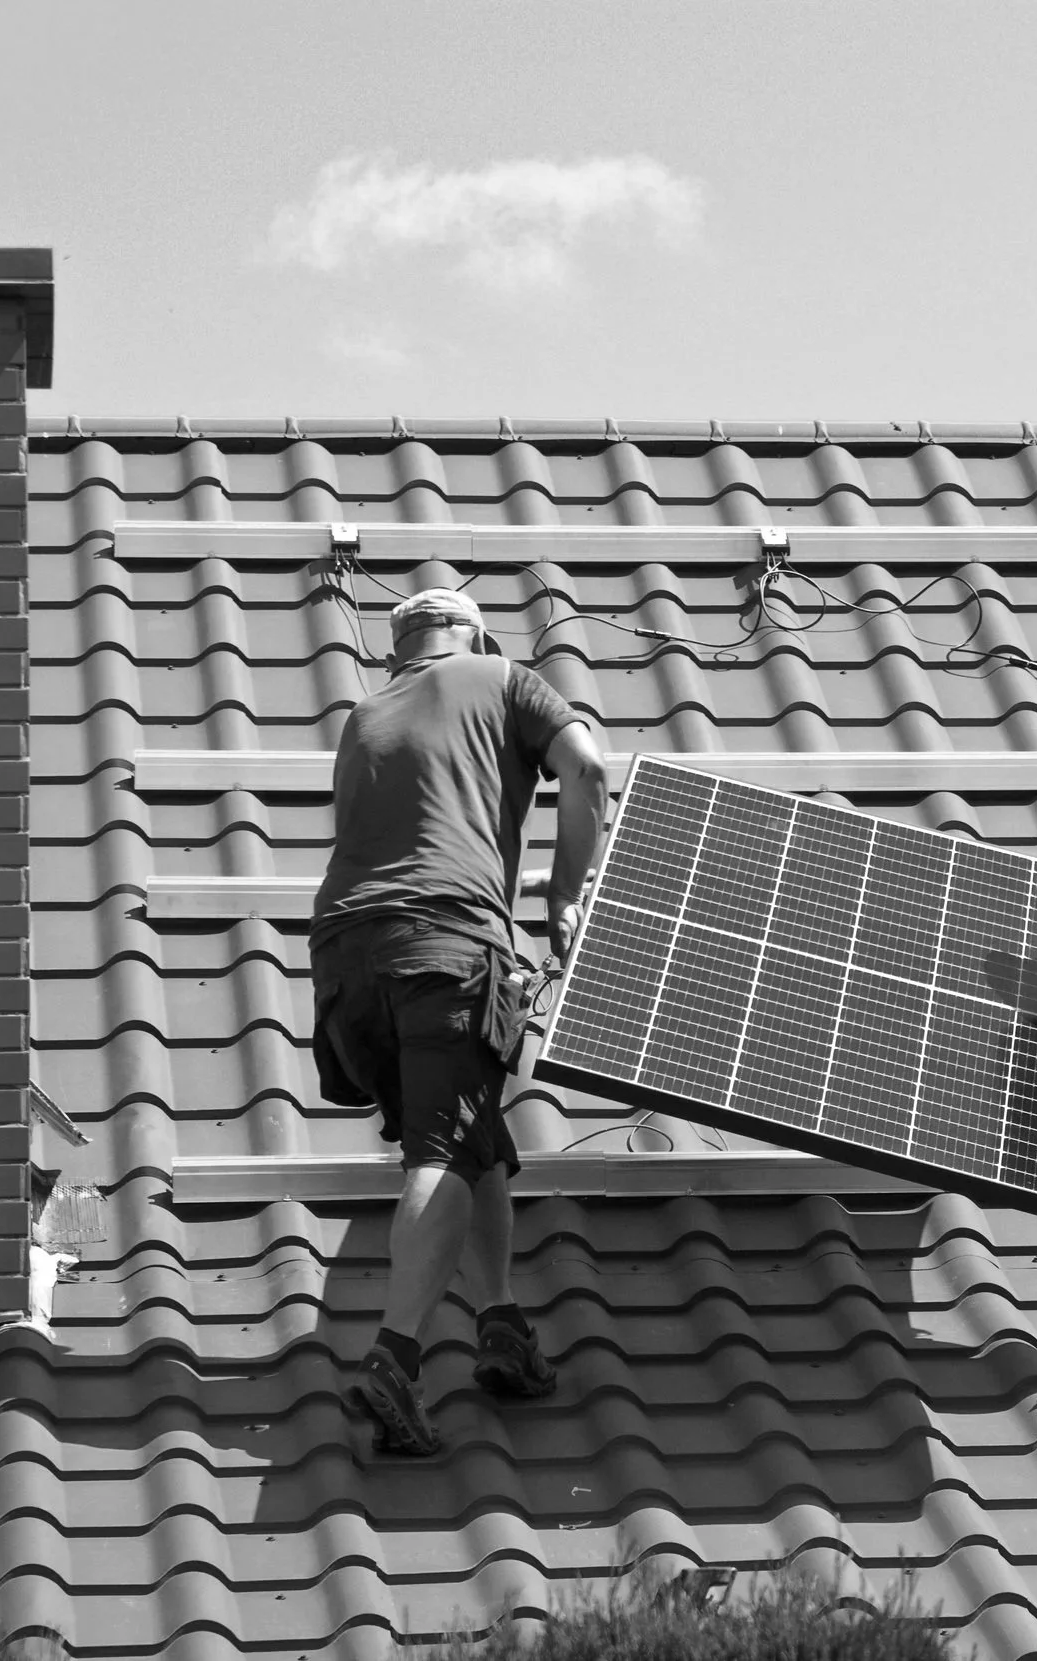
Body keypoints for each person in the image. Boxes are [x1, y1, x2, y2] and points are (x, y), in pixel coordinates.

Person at [311, 588, 609, 1454]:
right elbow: (589, 770)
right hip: (444, 944)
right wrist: (560, 895)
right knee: (443, 1148)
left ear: (399, 652)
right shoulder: (505, 677)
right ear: (474, 635)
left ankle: (502, 1325)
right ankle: (396, 1360)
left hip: (344, 966)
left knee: (475, 1137)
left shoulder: (366, 714)